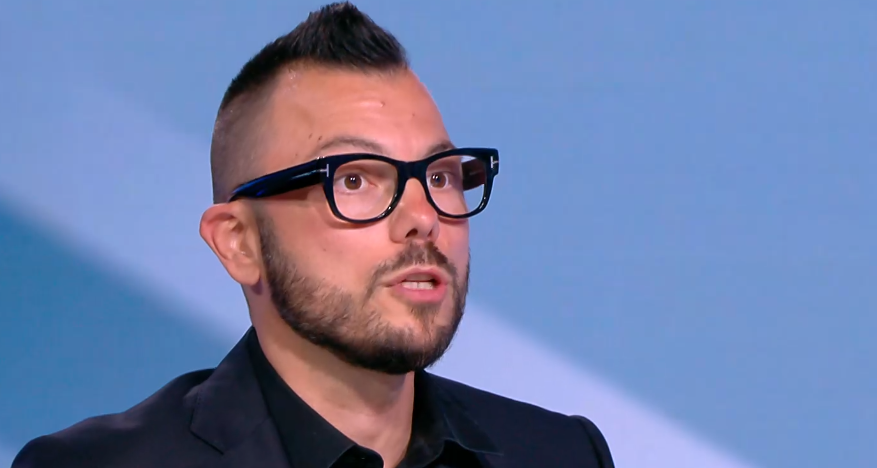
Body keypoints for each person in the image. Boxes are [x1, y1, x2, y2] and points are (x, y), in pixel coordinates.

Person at [12, 2, 614, 467]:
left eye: (439, 176)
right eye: (354, 180)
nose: (423, 217)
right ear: (239, 243)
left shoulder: (561, 454)